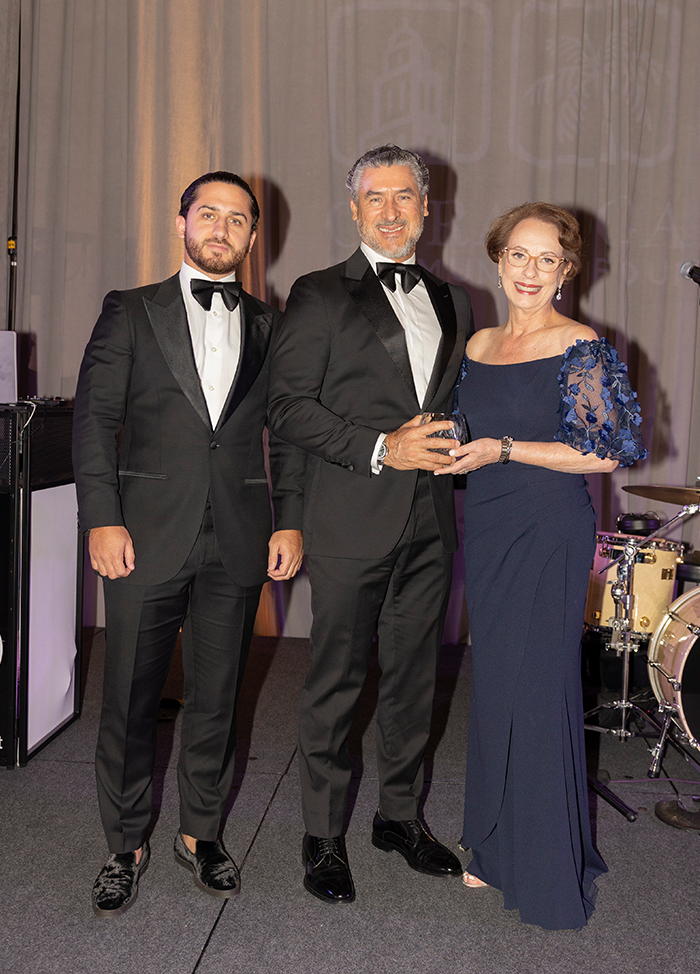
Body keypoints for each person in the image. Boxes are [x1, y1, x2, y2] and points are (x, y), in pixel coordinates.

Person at [72, 171, 305, 918]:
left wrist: (289, 518)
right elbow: (93, 419)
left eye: (239, 219)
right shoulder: (131, 310)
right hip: (141, 535)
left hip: (237, 540)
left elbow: (290, 435)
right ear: (181, 224)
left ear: (252, 236)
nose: (223, 228)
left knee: (216, 701)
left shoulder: (271, 327)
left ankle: (200, 834)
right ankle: (124, 841)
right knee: (130, 702)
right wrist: (101, 518)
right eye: (210, 213)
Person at [267, 144, 473, 903]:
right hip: (351, 518)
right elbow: (286, 410)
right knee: (335, 684)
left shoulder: (457, 300)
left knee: (416, 682)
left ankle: (399, 818)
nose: (391, 211)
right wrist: (384, 448)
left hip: (432, 524)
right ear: (355, 210)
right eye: (375, 198)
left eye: (405, 197)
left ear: (427, 207)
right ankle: (322, 836)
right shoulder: (319, 294)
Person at [436, 202, 647, 929]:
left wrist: (503, 448)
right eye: (518, 256)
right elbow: (467, 428)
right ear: (497, 260)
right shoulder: (479, 344)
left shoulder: (579, 343)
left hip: (548, 525)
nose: (530, 271)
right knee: (495, 681)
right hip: (490, 525)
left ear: (567, 269)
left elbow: (606, 451)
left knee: (539, 683)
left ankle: (544, 864)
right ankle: (492, 844)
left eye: (546, 259)